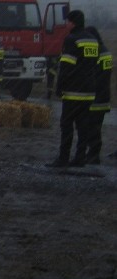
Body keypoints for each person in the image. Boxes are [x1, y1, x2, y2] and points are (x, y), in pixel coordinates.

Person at [47, 10, 98, 168]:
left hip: (73, 91)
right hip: (89, 91)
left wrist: (59, 87)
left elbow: (66, 66)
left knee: (66, 124)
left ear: (73, 22)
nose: (66, 24)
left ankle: (63, 158)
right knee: (83, 126)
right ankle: (80, 157)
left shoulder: (71, 39)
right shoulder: (93, 40)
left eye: (68, 21)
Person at [86, 27, 112, 164]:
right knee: (97, 127)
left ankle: (93, 155)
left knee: (92, 127)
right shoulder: (106, 51)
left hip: (94, 96)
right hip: (104, 95)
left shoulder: (96, 52)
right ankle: (93, 153)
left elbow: (91, 74)